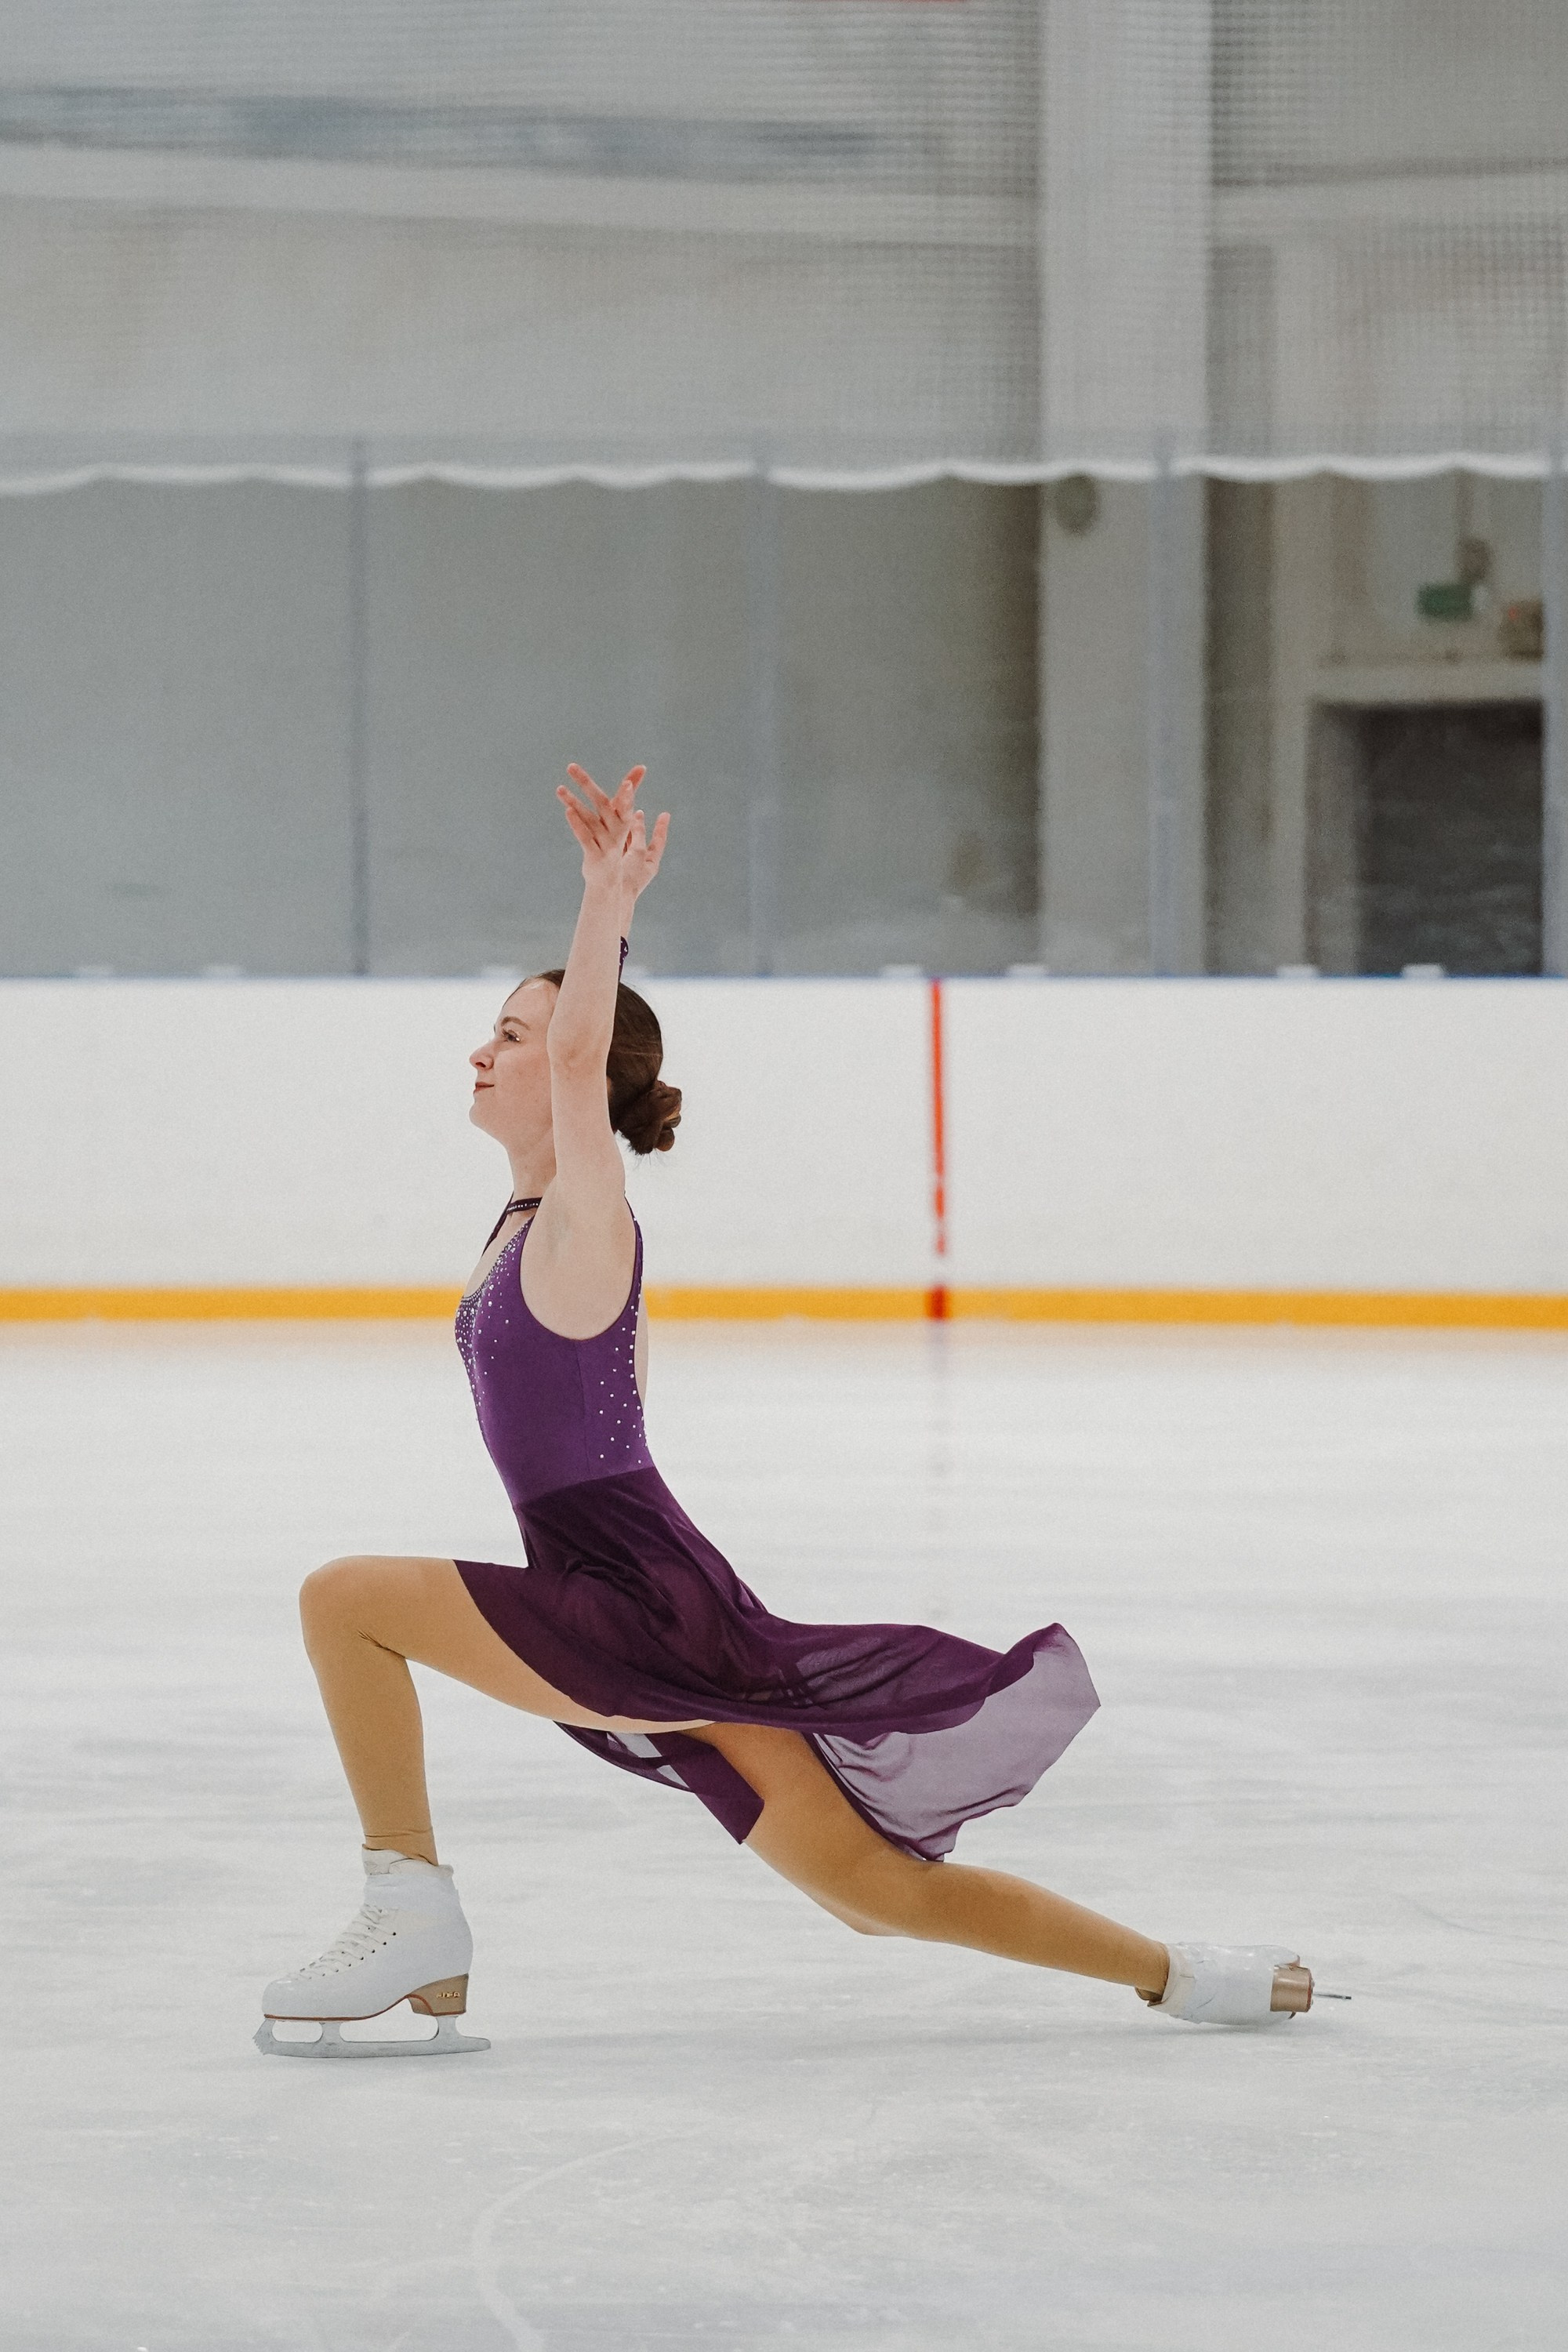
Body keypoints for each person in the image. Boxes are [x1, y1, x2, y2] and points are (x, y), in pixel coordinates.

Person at [256, 763, 1315, 2057]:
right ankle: (1188, 1973)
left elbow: (589, 1050)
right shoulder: (525, 1222)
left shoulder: (590, 1212)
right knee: (872, 1892)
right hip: (647, 1581)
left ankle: (408, 1906)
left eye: (517, 1036)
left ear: (578, 1071)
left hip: (633, 1591)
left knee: (345, 1599)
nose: (488, 1049)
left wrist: (606, 905)